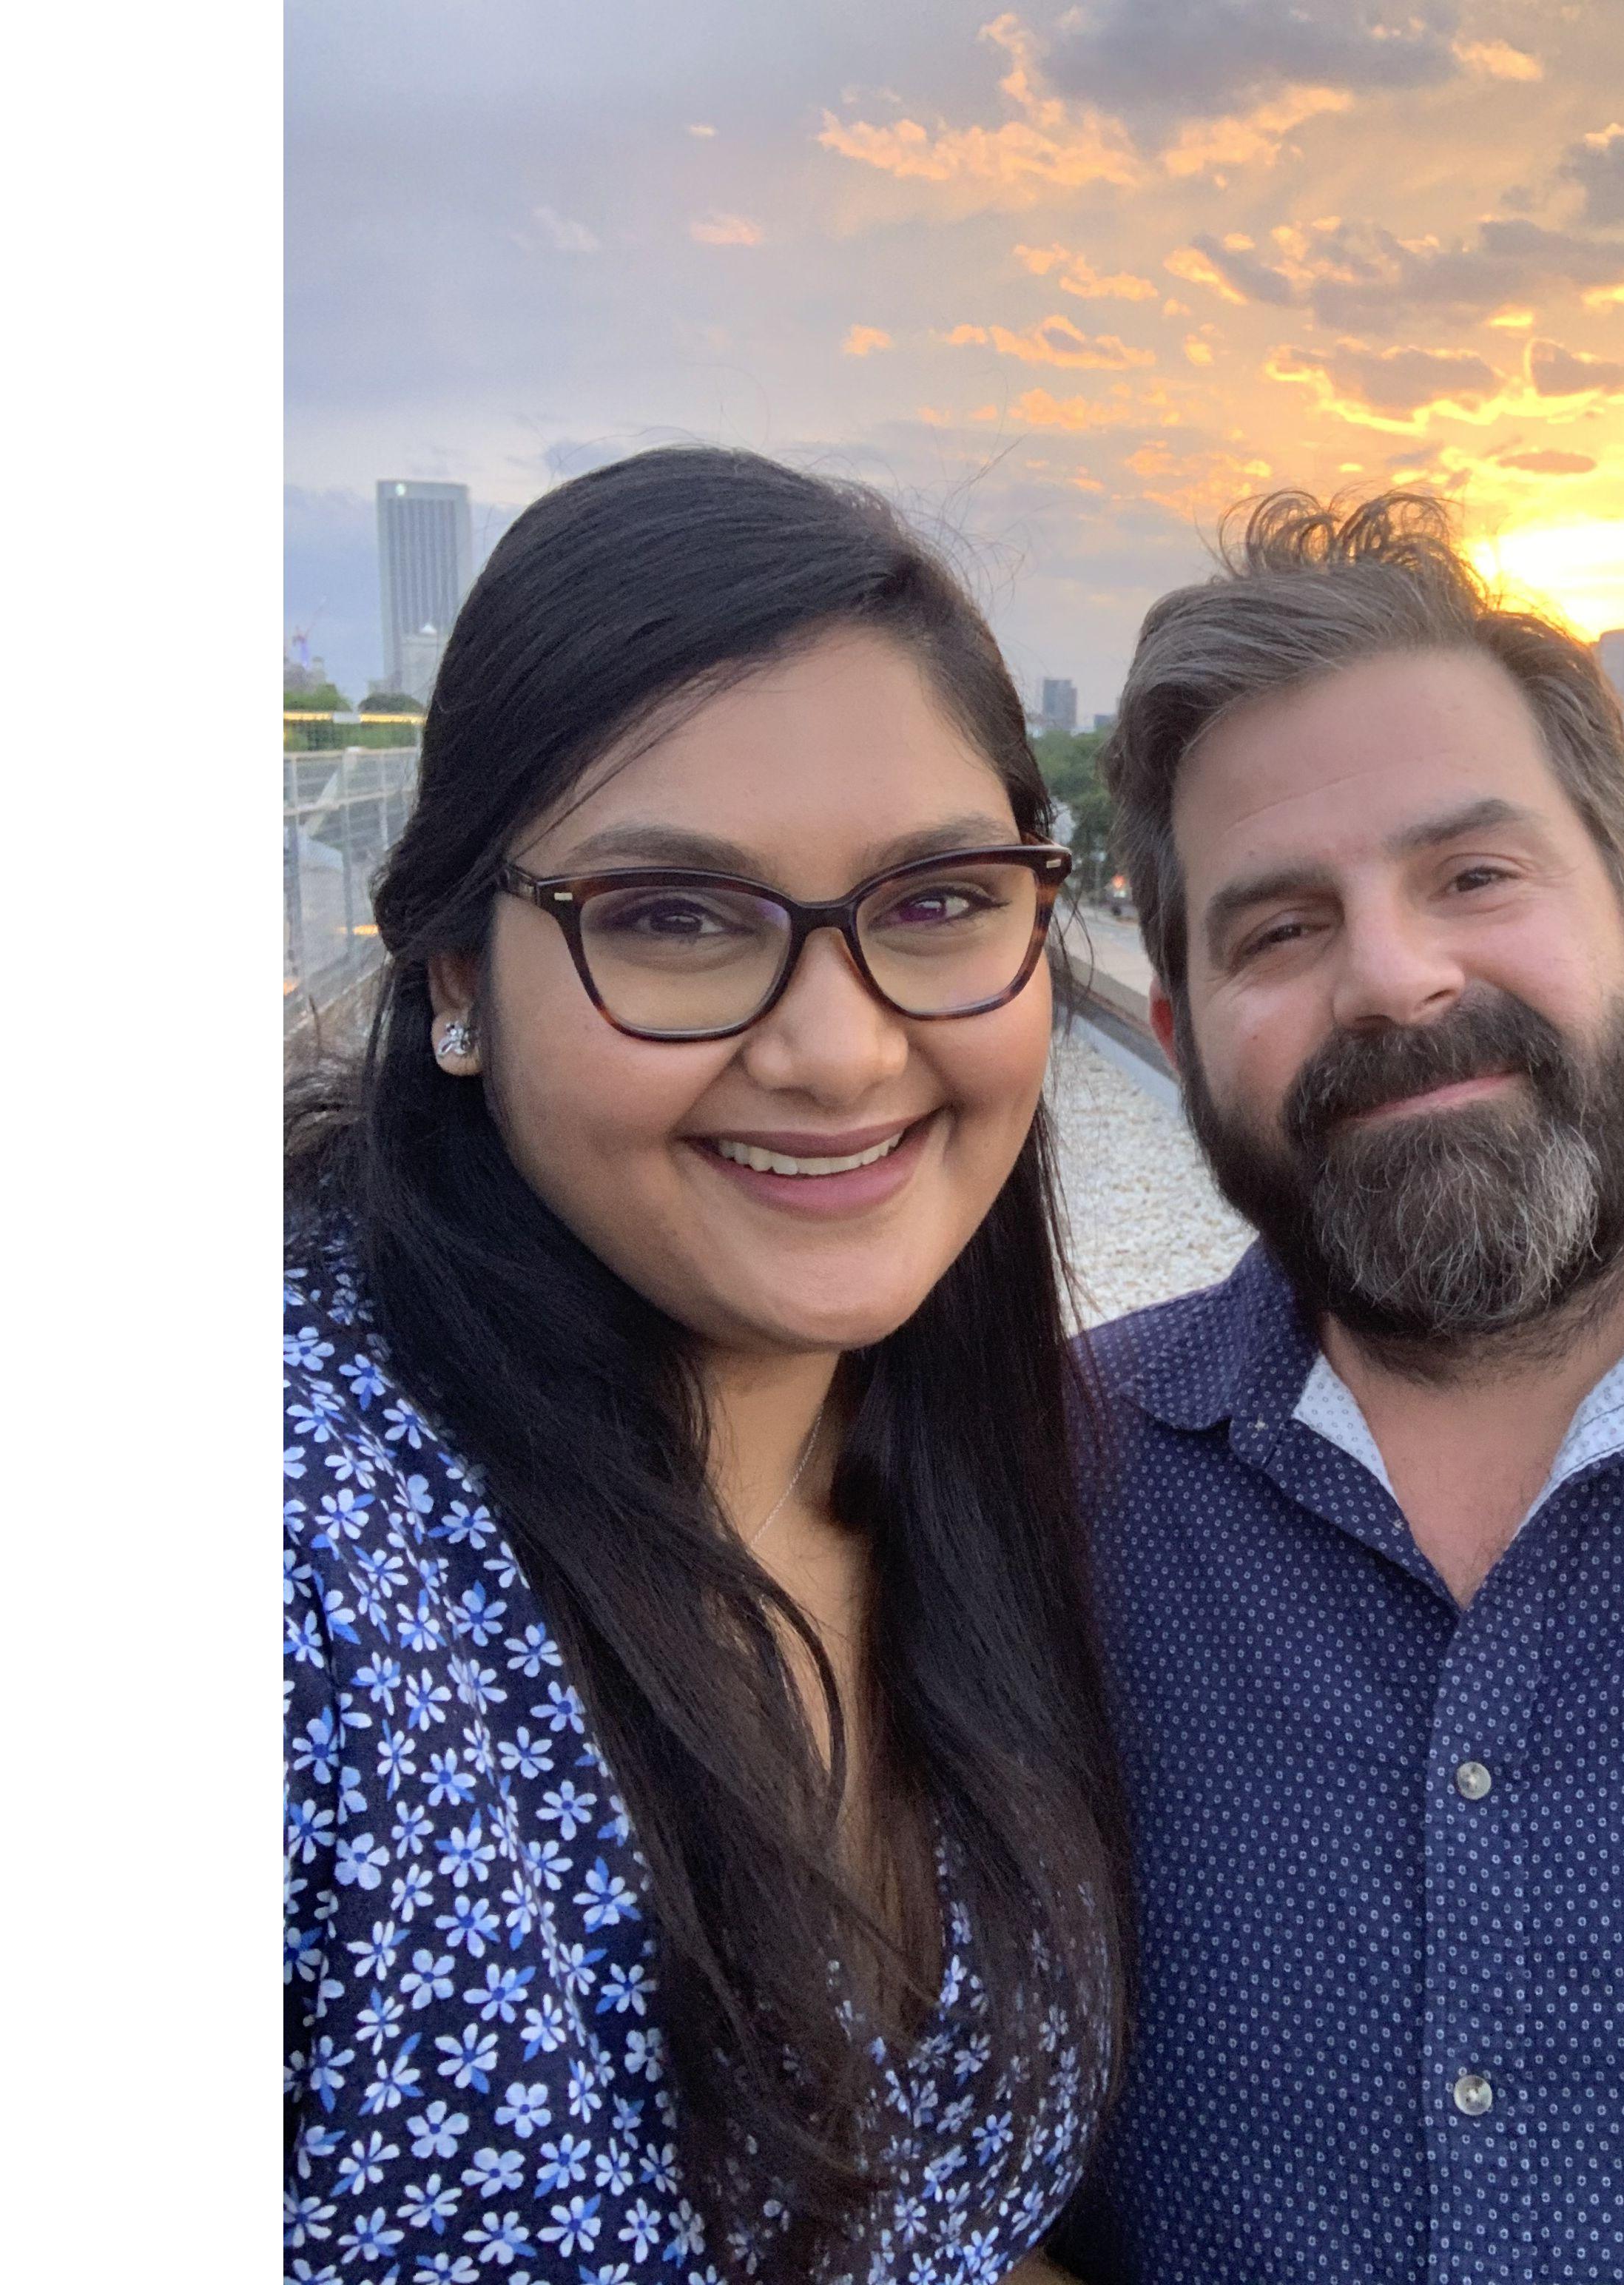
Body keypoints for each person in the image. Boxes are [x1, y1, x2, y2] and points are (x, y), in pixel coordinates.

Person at [1052, 494, 1624, 2284]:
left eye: (1473, 875)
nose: (1394, 975)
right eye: (1274, 929)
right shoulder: (1035, 1491)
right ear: (1176, 1033)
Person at [284, 446, 1124, 2283]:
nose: (836, 1051)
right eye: (672, 917)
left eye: (934, 902)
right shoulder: (304, 1557)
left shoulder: (993, 1467)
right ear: (446, 976)